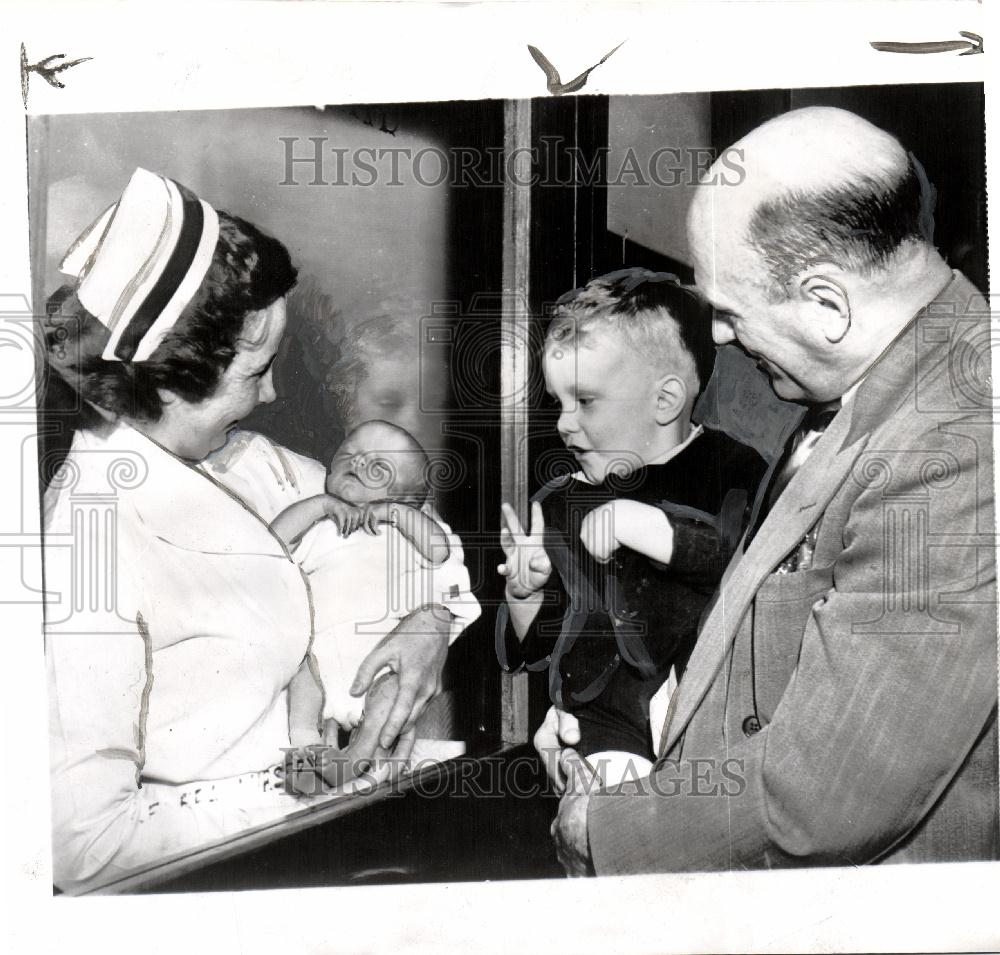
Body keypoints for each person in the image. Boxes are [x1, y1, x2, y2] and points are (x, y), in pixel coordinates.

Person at [543, 107, 998, 874]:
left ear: (828, 304)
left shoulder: (954, 443)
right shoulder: (874, 387)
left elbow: (828, 794)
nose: (717, 337)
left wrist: (605, 827)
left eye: (728, 312)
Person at [42, 169, 466, 891]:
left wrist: (429, 620)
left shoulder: (249, 459)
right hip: (231, 881)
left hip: (323, 833)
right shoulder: (84, 543)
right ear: (173, 381)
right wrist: (309, 796)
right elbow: (82, 846)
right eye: (257, 371)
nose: (271, 394)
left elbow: (415, 527)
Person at [497, 270, 767, 786]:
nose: (562, 423)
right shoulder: (560, 502)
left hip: (714, 724)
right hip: (602, 725)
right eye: (558, 403)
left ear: (664, 401)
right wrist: (524, 592)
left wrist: (645, 526)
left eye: (586, 401)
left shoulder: (735, 471)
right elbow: (537, 649)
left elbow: (740, 562)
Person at [261, 419, 476, 760]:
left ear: (409, 496)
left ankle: (362, 754)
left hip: (382, 654)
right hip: (319, 654)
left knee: (387, 701)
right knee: (301, 685)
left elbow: (440, 551)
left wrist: (395, 512)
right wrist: (318, 506)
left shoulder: (405, 531)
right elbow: (269, 542)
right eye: (348, 455)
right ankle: (306, 749)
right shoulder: (321, 526)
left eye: (377, 464)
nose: (357, 463)